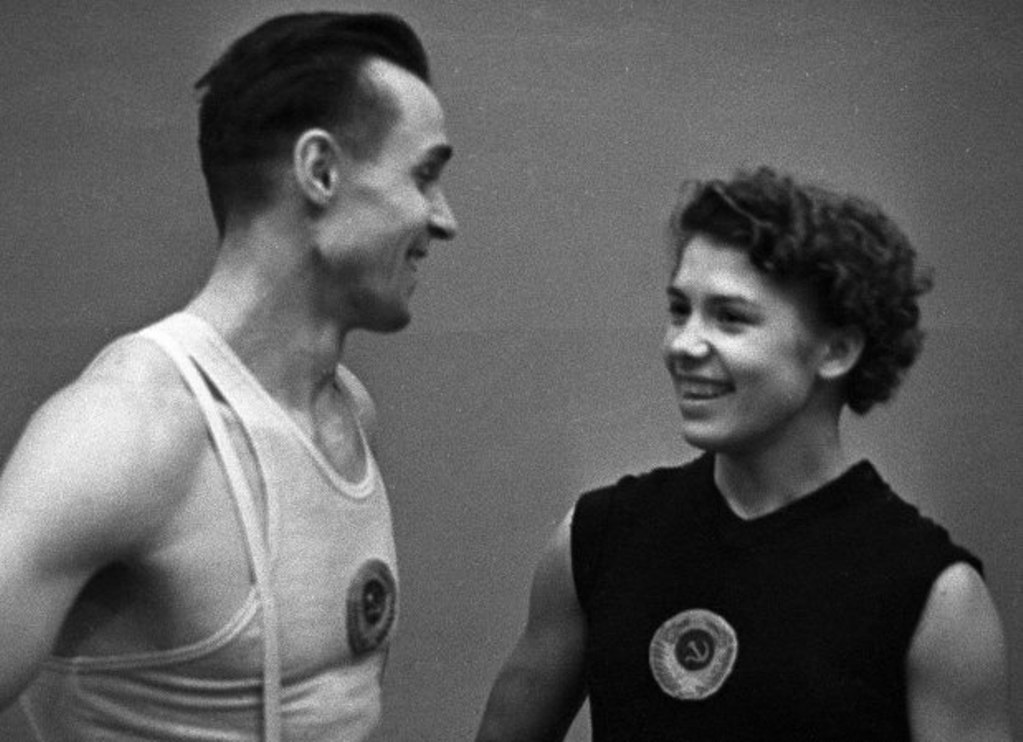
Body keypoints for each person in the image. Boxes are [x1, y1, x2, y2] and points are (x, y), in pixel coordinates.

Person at [0, 11, 456, 741]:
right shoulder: (129, 429)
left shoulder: (347, 413)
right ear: (320, 171)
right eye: (424, 176)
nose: (443, 219)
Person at [474, 167, 1010, 741]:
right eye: (679, 310)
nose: (683, 345)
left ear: (836, 350)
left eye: (730, 318)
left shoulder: (933, 594)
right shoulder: (598, 538)